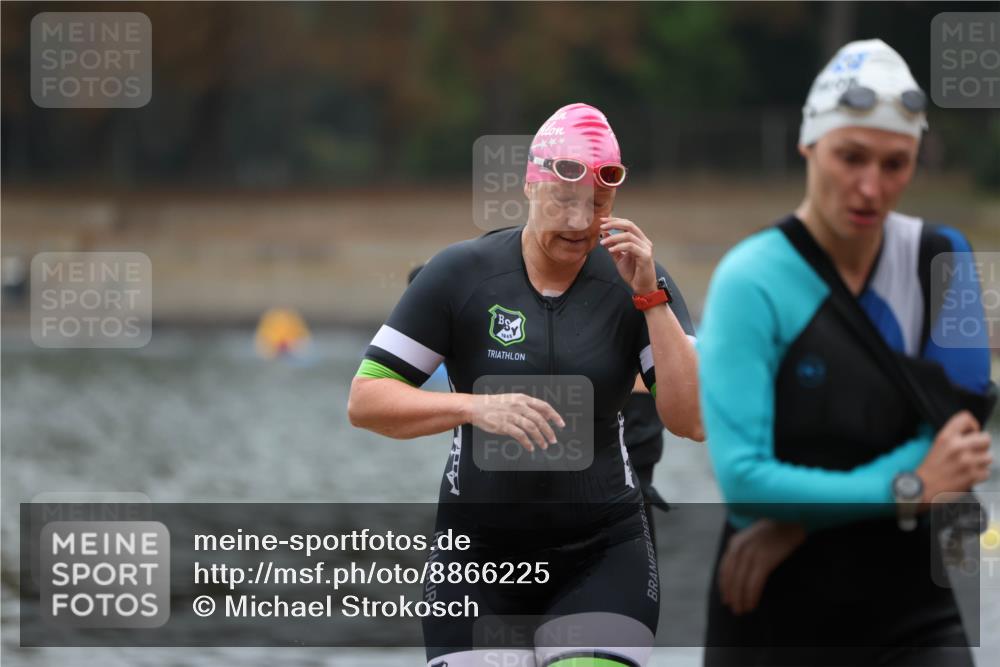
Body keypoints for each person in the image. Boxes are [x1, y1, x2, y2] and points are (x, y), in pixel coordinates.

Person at [348, 102, 702, 667]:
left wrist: (652, 301)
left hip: (603, 553)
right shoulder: (460, 274)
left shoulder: (637, 279)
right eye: (564, 200)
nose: (580, 221)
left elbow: (694, 421)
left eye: (598, 205)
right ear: (530, 187)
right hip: (478, 560)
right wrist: (473, 407)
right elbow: (366, 401)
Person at [698, 39, 994, 666]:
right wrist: (907, 486)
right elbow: (745, 481)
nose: (871, 186)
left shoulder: (943, 259)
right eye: (850, 157)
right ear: (808, 145)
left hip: (913, 607)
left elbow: (960, 434)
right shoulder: (749, 279)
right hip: (772, 611)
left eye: (896, 164)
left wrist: (801, 519)